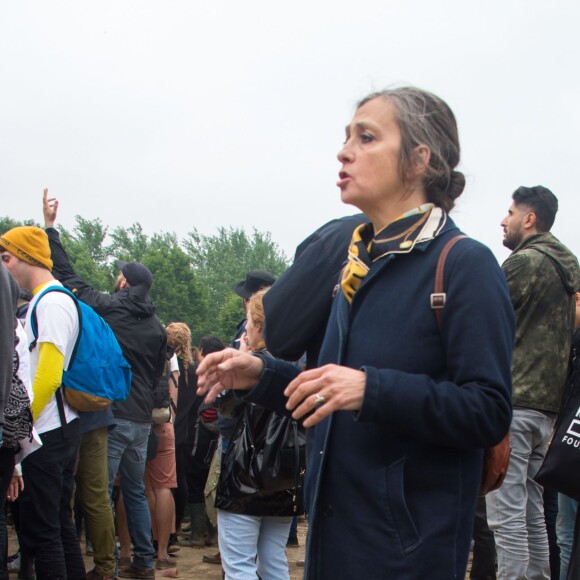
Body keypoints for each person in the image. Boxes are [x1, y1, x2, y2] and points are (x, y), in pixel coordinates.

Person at [196, 86, 515, 579]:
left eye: (366, 138)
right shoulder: (358, 265)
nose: (344, 151)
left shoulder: (465, 265)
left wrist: (372, 388)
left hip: (406, 553)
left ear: (418, 160)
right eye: (347, 137)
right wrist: (259, 375)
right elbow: (331, 392)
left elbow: (488, 410)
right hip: (336, 535)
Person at [43, 190, 167, 580]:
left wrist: (50, 231)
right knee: (134, 492)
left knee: (98, 494)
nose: (116, 276)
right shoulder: (158, 327)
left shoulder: (115, 309)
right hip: (144, 419)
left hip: (115, 415)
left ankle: (107, 566)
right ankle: (144, 561)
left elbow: (72, 283)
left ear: (125, 282)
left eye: (120, 273)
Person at [486, 186, 580, 580]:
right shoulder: (567, 270)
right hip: (547, 411)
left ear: (529, 219)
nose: (502, 220)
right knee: (532, 512)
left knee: (506, 515)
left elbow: (484, 321)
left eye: (509, 212)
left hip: (515, 402)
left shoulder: (523, 263)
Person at [0, 226, 86, 579]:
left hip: (47, 431)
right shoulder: (50, 299)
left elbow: (49, 376)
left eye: (6, 258)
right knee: (60, 527)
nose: (3, 267)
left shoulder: (50, 303)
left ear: (26, 259)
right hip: (57, 427)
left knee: (44, 532)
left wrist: (20, 429)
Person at [216, 289, 298, 580]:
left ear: (259, 325)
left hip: (244, 475)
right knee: (273, 561)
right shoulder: (295, 362)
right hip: (285, 475)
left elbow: (226, 411)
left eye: (248, 320)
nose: (245, 327)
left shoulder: (253, 366)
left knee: (238, 566)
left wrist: (240, 359)